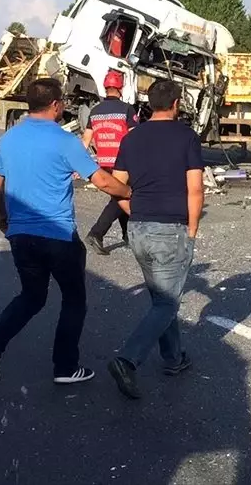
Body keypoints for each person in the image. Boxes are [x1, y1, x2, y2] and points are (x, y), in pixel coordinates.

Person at [0, 78, 132, 386]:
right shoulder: (64, 141)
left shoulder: (10, 139)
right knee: (74, 299)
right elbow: (101, 181)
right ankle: (65, 367)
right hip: (58, 236)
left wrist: (3, 216)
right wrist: (128, 192)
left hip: (21, 236)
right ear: (57, 105)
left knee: (32, 296)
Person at [105, 78, 205, 400]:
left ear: (149, 104)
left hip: (138, 230)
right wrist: (191, 230)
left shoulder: (131, 139)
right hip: (170, 230)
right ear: (176, 103)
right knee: (166, 302)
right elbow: (195, 188)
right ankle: (127, 359)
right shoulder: (186, 137)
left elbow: (114, 184)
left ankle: (173, 358)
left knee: (162, 298)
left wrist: (131, 207)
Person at [82, 69, 138, 255]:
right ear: (120, 87)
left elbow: (86, 140)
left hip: (104, 163)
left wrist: (80, 164)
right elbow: (134, 137)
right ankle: (96, 233)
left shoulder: (95, 111)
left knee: (118, 196)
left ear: (105, 88)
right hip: (123, 163)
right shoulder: (127, 109)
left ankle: (127, 235)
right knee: (123, 195)